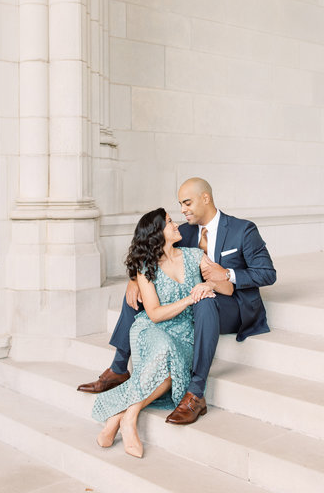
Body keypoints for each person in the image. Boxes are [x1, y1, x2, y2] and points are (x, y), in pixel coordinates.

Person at [79, 177, 277, 426]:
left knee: (204, 300)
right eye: (180, 205)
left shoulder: (243, 229)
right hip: (194, 299)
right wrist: (134, 280)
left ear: (205, 198)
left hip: (233, 304)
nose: (182, 210)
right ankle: (119, 368)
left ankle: (195, 392)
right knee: (139, 294)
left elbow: (267, 273)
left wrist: (227, 274)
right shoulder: (183, 231)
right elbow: (152, 252)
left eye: (187, 203)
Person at [92, 207, 232, 458]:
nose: (176, 224)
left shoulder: (194, 256)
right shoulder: (145, 268)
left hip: (184, 335)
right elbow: (154, 314)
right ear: (157, 232)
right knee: (166, 351)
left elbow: (228, 289)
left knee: (171, 367)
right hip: (152, 329)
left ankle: (123, 416)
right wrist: (190, 299)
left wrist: (209, 283)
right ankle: (129, 417)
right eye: (169, 222)